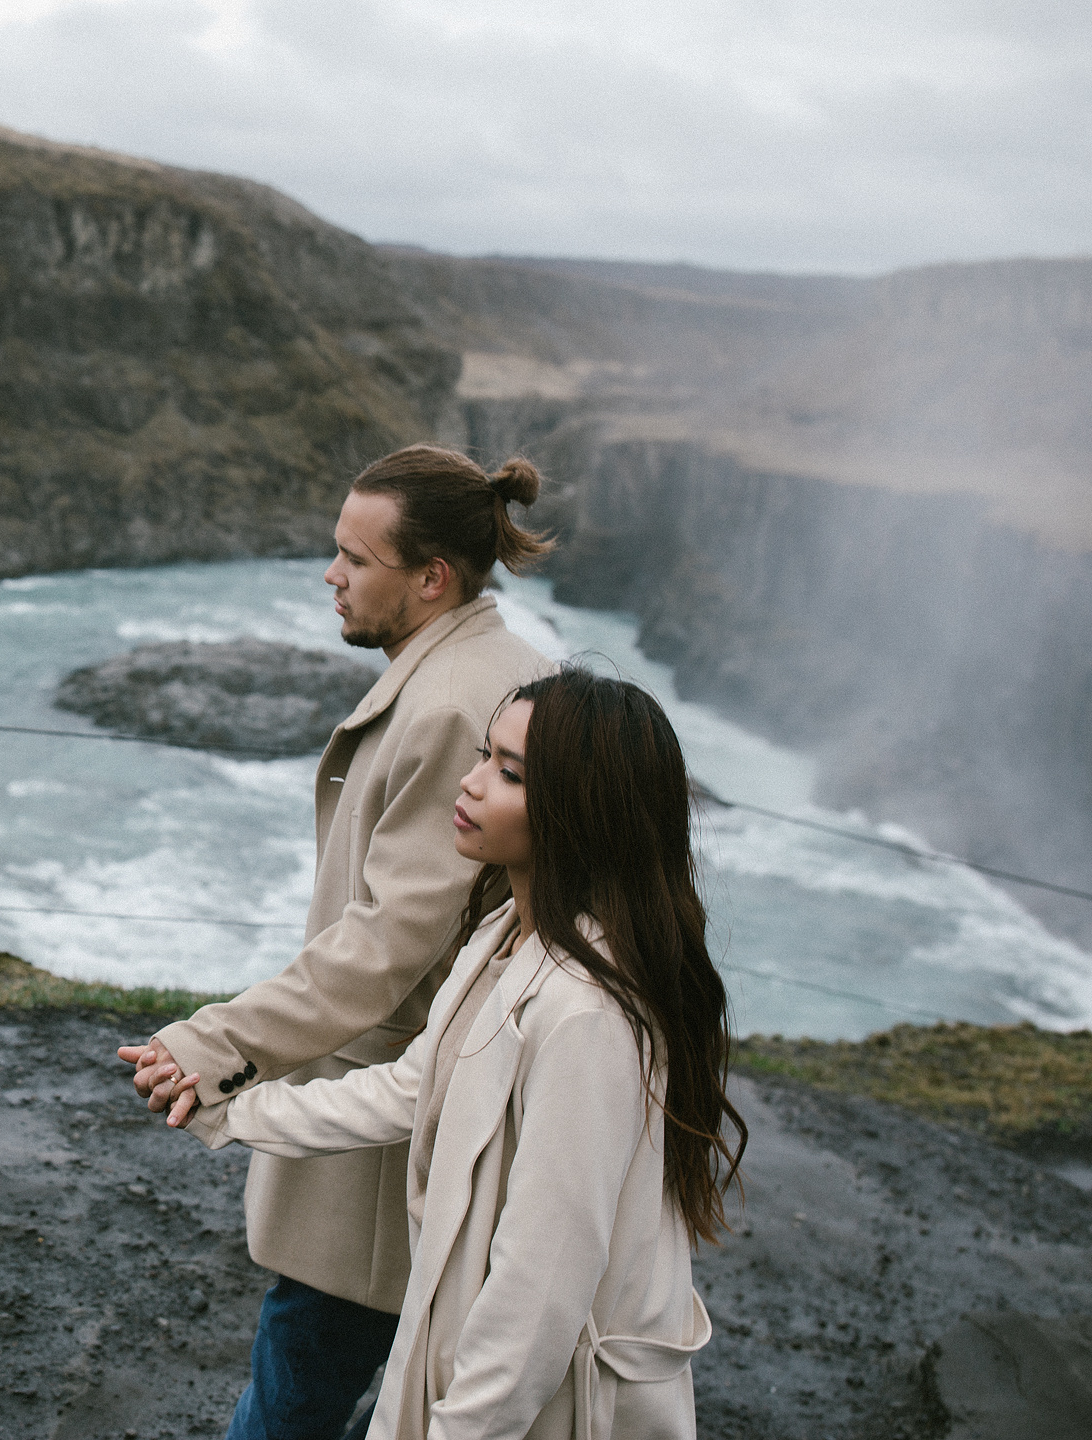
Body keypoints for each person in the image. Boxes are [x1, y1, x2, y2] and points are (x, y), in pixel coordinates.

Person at [165, 668, 748, 1440]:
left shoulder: (589, 1016)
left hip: (554, 1413)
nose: (468, 785)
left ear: (585, 809)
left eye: (508, 774)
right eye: (483, 756)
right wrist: (229, 1108)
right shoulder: (504, 937)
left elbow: (538, 1293)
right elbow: (413, 1088)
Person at [118, 443, 555, 1440]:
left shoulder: (452, 705)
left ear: (431, 577)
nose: (332, 575)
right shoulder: (503, 670)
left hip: (385, 1134)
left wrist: (215, 1042)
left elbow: (384, 946)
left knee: (291, 1406)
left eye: (356, 559)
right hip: (438, 1106)